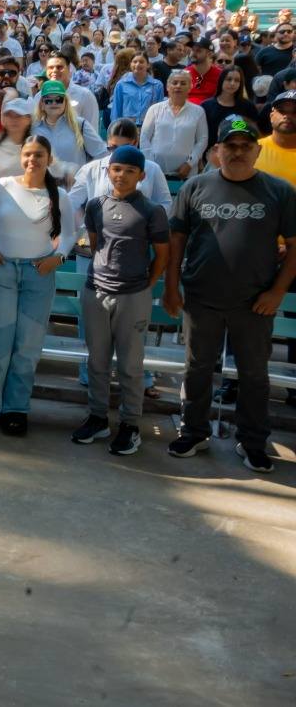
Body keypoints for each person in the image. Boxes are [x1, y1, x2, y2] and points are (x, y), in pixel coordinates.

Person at [165, 116, 296, 474]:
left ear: (257, 151)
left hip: (254, 303)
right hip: (201, 298)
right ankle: (194, 432)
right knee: (197, 369)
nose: (238, 152)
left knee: (254, 375)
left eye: (245, 146)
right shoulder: (194, 187)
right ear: (217, 150)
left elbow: (294, 247)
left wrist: (277, 292)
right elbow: (176, 242)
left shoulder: (280, 191)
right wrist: (171, 287)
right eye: (230, 146)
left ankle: (252, 441)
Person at [71, 146, 169, 456]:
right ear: (108, 171)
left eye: (129, 170)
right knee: (97, 361)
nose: (121, 175)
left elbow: (162, 255)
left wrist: (146, 285)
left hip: (133, 296)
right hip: (96, 292)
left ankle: (130, 425)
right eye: (116, 169)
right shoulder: (95, 205)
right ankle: (98, 417)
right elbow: (96, 245)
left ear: (142, 175)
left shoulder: (152, 210)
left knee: (130, 365)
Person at [0, 136, 76, 435]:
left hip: (39, 275)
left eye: (39, 155)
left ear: (49, 158)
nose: (33, 160)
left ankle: (16, 409)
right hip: (5, 272)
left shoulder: (60, 195)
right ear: (21, 157)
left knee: (27, 347)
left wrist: (57, 258)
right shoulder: (2, 186)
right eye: (28, 154)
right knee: (0, 344)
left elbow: (70, 234)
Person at [140, 70, 208, 180]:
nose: (178, 86)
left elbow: (202, 140)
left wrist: (190, 164)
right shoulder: (154, 109)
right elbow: (144, 137)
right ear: (167, 86)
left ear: (190, 87)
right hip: (156, 171)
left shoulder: (198, 112)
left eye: (183, 83)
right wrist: (152, 165)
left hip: (186, 172)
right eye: (174, 83)